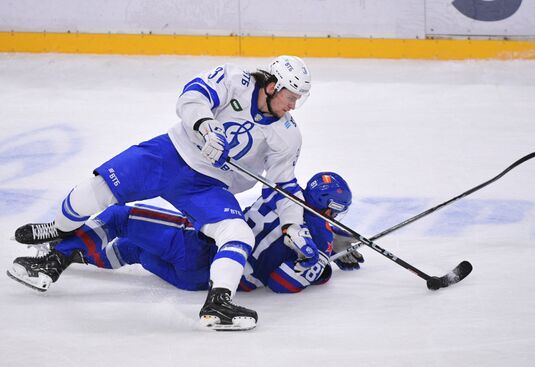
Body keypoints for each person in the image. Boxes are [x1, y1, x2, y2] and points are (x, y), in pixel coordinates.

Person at [12, 55, 312, 330]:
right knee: (100, 189)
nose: (293, 106)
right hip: (169, 155)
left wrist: (293, 224)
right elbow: (192, 97)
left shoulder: (287, 135)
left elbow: (283, 184)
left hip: (207, 186)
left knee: (239, 233)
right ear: (272, 86)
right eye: (290, 97)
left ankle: (218, 304)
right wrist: (206, 126)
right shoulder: (234, 79)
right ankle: (56, 235)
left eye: (298, 99)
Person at [8, 172, 364, 330]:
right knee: (132, 249)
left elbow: (278, 211)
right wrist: (322, 258)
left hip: (195, 246)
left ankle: (58, 252)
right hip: (199, 280)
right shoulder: (318, 244)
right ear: (330, 209)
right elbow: (281, 283)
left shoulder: (284, 196)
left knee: (121, 216)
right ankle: (67, 250)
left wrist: (322, 254)